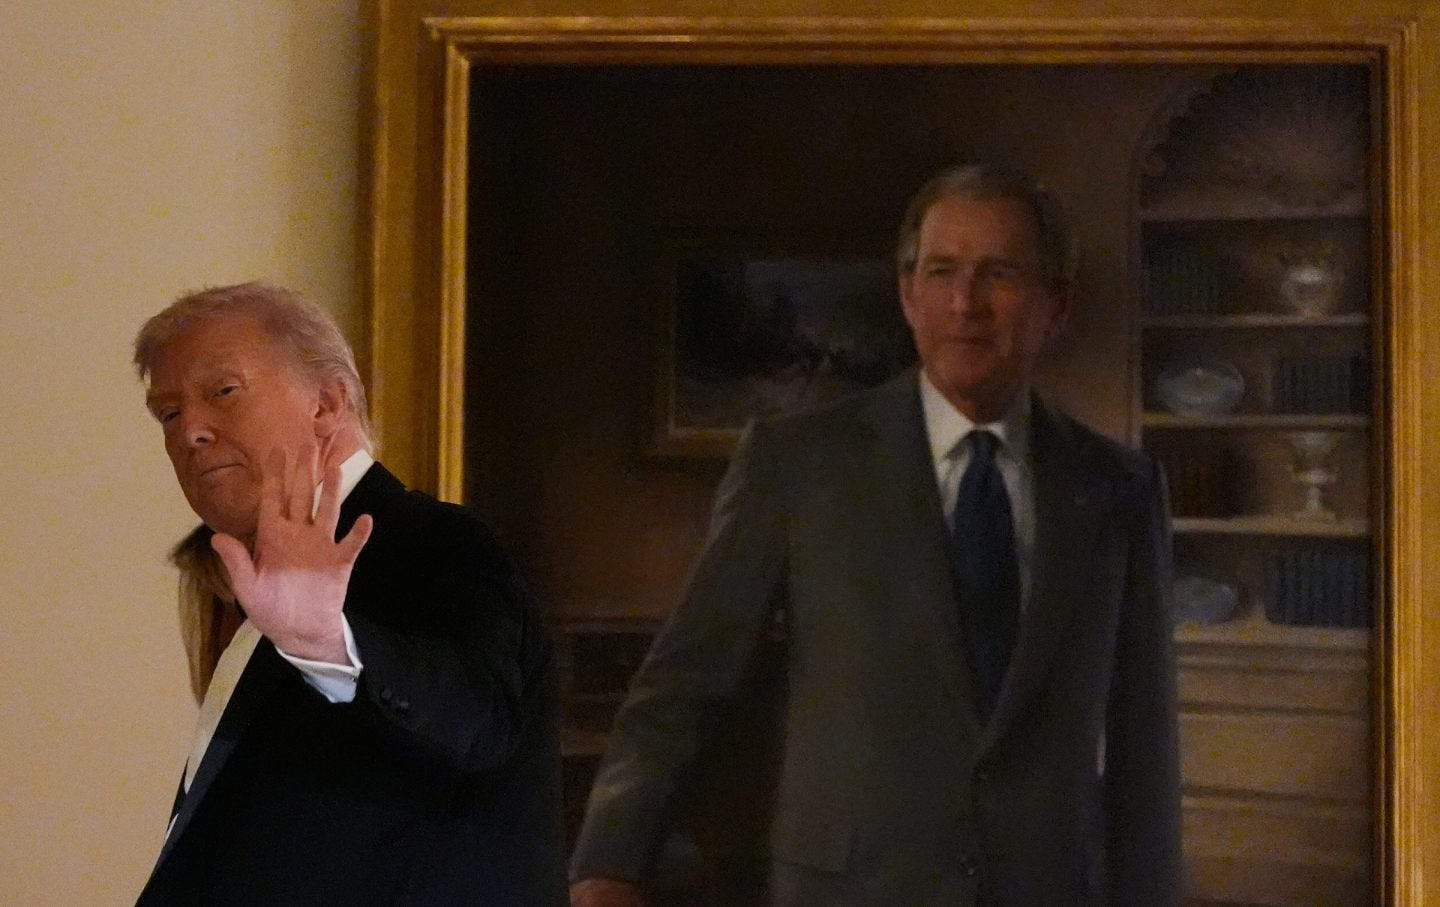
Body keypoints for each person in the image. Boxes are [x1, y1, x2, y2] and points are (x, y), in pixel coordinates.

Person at [569, 164, 1182, 905]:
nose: (966, 303)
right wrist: (607, 866)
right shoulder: (796, 464)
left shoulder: (1118, 489)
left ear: (1057, 304)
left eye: (1000, 274)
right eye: (942, 271)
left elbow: (1144, 743)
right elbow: (684, 684)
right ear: (907, 294)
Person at [132, 282, 566, 905]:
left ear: (328, 404)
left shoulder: (435, 541)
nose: (189, 432)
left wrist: (326, 643)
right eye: (168, 413)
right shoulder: (251, 586)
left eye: (222, 392)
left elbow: (478, 723)